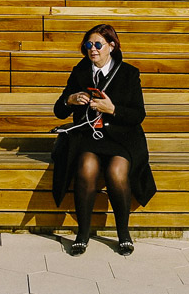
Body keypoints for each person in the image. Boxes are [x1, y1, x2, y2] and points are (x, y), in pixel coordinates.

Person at [52, 23, 154, 256]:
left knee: (117, 172)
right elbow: (59, 111)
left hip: (121, 138)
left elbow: (139, 114)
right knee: (86, 167)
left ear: (111, 46)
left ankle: (123, 234)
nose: (92, 49)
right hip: (89, 137)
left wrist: (113, 109)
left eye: (98, 44)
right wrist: (70, 99)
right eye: (88, 45)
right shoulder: (80, 71)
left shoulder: (129, 73)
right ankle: (82, 234)